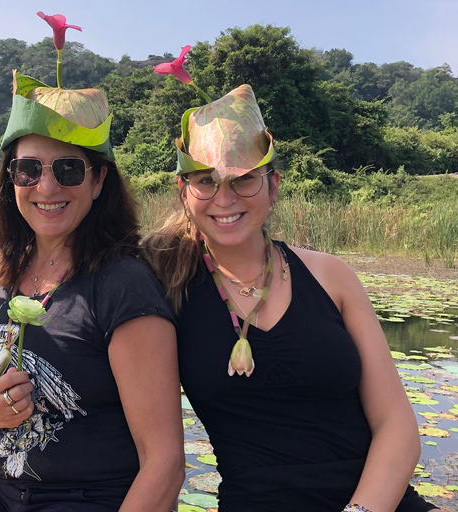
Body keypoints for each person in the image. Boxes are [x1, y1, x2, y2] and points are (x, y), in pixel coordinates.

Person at [142, 81, 438, 512]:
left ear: (274, 184)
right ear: (184, 192)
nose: (224, 198)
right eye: (205, 181)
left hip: (376, 504)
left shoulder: (331, 276)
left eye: (244, 180)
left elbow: (396, 424)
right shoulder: (164, 285)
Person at [0, 15, 185, 512]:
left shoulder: (121, 284)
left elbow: (166, 463)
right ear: (10, 181)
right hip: (7, 494)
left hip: (95, 498)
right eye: (28, 169)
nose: (47, 187)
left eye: (69, 168)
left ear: (98, 182)